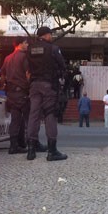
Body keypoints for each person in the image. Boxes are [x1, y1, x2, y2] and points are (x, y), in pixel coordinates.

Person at [26, 26, 68, 161]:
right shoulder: (53, 48)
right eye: (51, 34)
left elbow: (27, 68)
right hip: (48, 85)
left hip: (34, 85)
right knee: (50, 114)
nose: (52, 37)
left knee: (34, 114)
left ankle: (31, 150)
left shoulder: (30, 49)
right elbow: (63, 65)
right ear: (46, 35)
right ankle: (52, 151)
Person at [0, 38, 31, 154]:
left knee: (15, 120)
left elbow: (2, 74)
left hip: (11, 93)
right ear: (20, 44)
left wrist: (3, 86)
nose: (27, 44)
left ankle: (13, 146)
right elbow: (28, 74)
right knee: (29, 119)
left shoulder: (7, 58)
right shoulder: (24, 56)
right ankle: (31, 144)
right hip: (22, 92)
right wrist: (30, 86)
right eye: (25, 42)